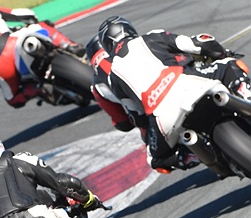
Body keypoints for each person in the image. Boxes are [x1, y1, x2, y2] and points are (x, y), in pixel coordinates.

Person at [93, 15, 233, 172]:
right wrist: (222, 53)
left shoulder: (113, 77)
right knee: (229, 65)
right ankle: (246, 94)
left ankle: (193, 155)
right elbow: (199, 43)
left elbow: (136, 116)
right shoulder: (151, 37)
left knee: (155, 160)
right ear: (129, 29)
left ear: (107, 46)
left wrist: (150, 129)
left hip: (162, 117)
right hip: (189, 84)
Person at [0, 1, 86, 108]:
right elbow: (24, 14)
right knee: (42, 26)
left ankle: (37, 89)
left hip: (1, 69)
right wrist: (32, 21)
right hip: (14, 43)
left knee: (13, 100)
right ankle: (69, 45)